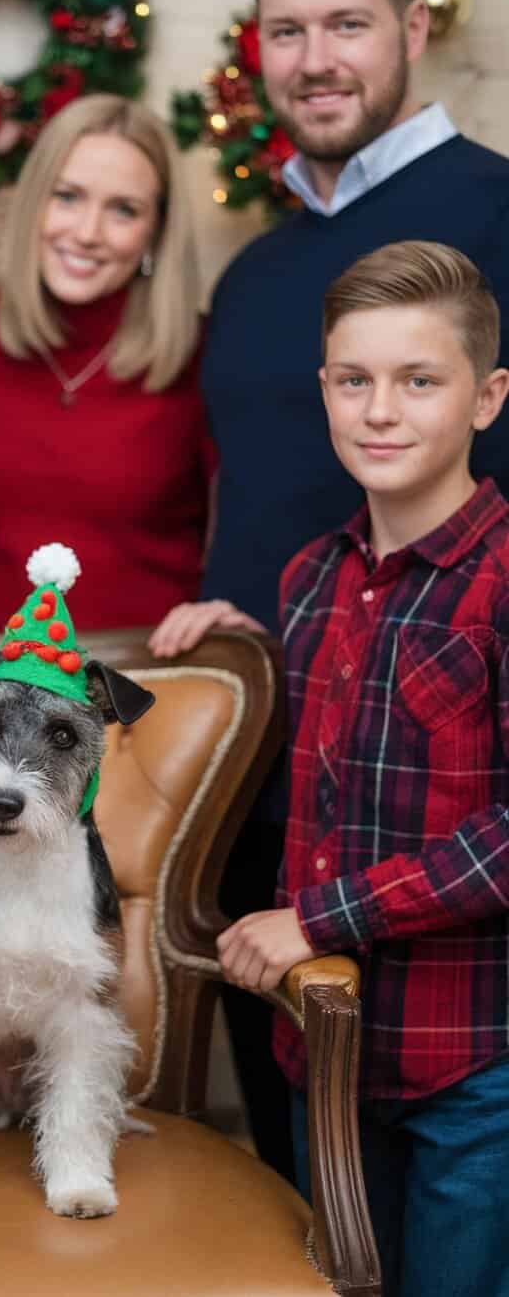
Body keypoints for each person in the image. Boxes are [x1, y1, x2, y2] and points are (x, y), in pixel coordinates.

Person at [148, 0, 509, 1181]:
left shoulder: (495, 213)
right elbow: (257, 498)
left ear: (414, 28)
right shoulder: (253, 276)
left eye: (347, 23)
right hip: (268, 792)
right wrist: (233, 610)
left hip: (444, 813)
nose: (315, 59)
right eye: (286, 29)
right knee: (305, 1201)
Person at [219, 241, 509, 1297]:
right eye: (355, 380)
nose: (379, 411)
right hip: (326, 1069)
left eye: (418, 380)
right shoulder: (308, 583)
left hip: (474, 1072)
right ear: (325, 392)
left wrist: (320, 919)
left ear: (486, 398)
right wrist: (228, 648)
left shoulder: (504, 581)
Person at [0, 93, 211, 632]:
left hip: (149, 688)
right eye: (68, 197)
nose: (86, 233)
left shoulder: (202, 353)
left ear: (156, 231)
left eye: (123, 209)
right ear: (35, 203)